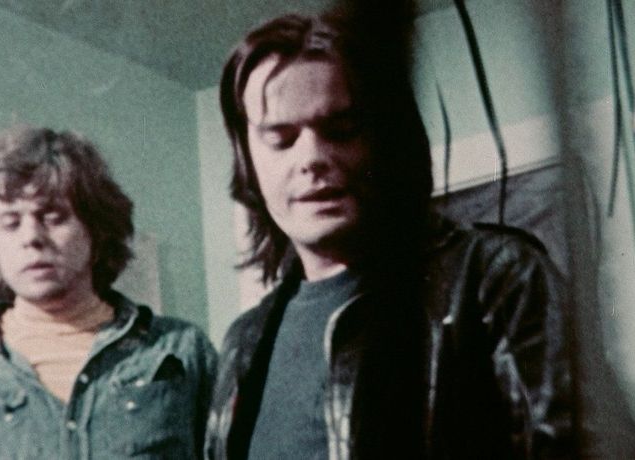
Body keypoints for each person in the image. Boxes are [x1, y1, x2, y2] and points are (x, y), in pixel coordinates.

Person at [205, 11, 572, 459]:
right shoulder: (243, 341)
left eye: (342, 130)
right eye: (281, 139)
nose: (312, 158)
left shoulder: (498, 280)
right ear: (247, 160)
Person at [0, 125, 217, 459]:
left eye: (53, 216)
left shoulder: (180, 353)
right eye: (11, 222)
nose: (31, 237)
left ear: (96, 230)